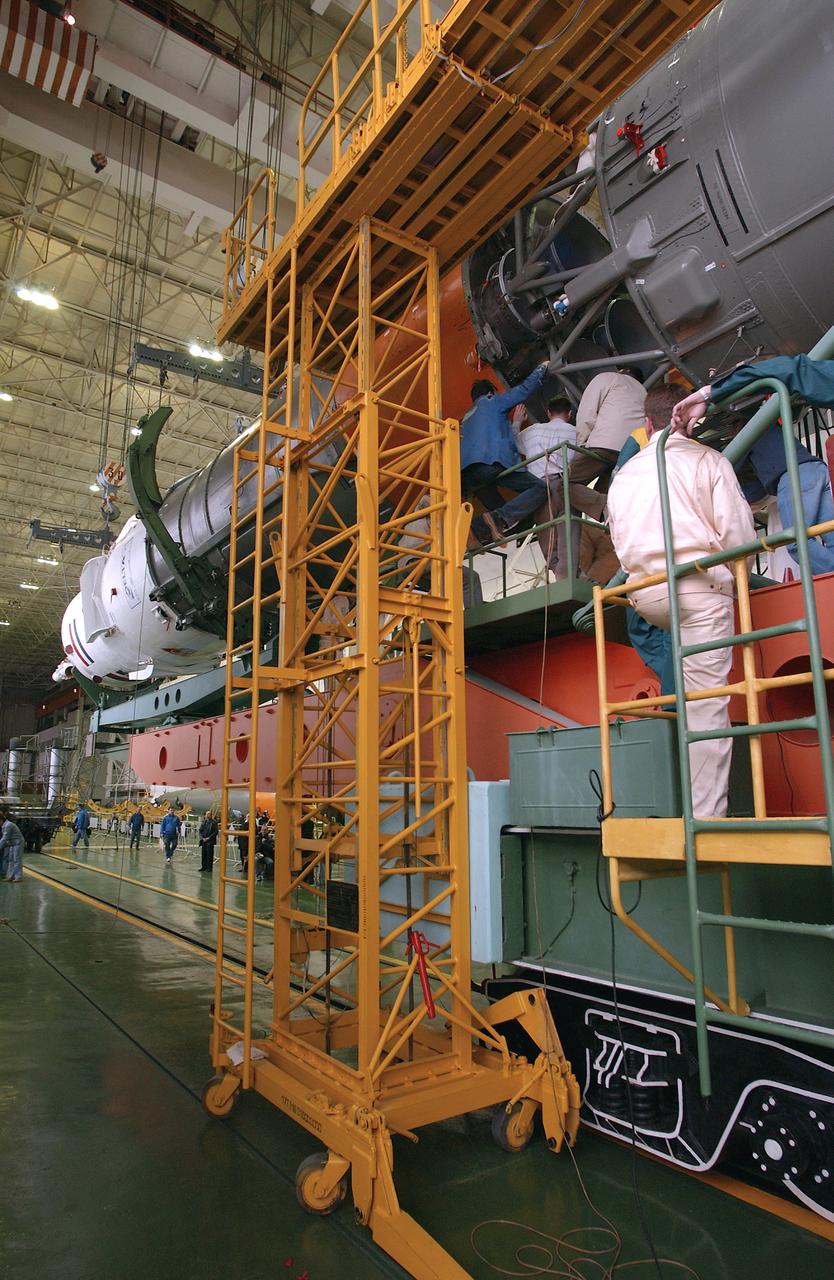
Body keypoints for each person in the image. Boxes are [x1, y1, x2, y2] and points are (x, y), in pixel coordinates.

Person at [606, 403, 756, 819]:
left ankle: (673, 695)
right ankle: (705, 815)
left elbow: (618, 539)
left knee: (674, 665)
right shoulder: (708, 459)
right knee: (707, 704)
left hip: (645, 596)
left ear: (647, 425)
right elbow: (738, 534)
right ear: (691, 421)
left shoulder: (624, 476)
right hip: (698, 587)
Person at [672, 355, 834, 575]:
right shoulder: (772, 435)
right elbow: (759, 486)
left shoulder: (754, 432)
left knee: (796, 542)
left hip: (795, 477)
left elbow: (730, 466)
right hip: (816, 470)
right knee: (830, 534)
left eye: (733, 430)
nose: (732, 434)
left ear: (740, 426)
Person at [460, 361, 549, 547]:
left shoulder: (464, 420)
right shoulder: (493, 402)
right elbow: (523, 390)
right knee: (540, 488)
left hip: (468, 478)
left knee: (508, 515)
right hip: (490, 465)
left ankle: (479, 530)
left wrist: (515, 424)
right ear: (491, 393)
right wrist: (542, 368)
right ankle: (497, 522)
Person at [0, 807, 24, 882]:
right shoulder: (4, 825)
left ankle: (18, 876)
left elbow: (4, 838)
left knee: (16, 859)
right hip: (12, 843)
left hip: (18, 843)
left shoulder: (8, 825)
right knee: (10, 859)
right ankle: (10, 876)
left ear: (1, 820)